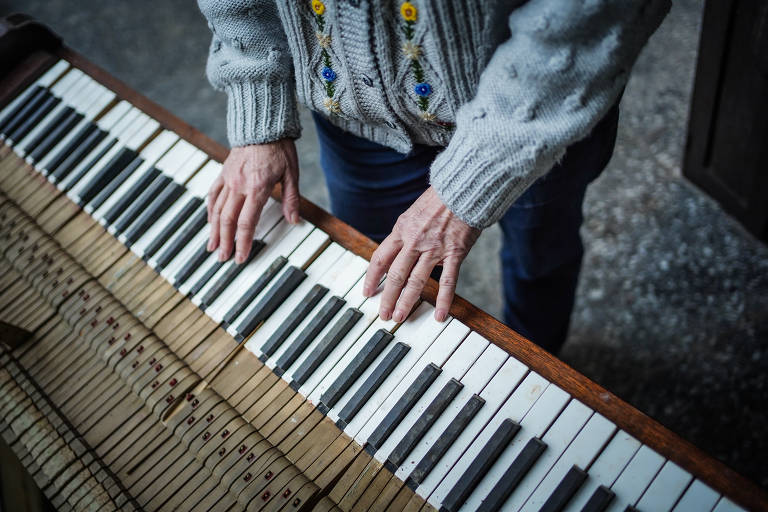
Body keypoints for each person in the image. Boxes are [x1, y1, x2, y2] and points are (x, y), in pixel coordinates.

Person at [198, 0, 669, 354]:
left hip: (533, 122)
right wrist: (254, 90)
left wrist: (474, 179)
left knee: (540, 258)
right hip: (356, 121)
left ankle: (539, 372)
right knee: (383, 284)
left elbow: (590, 16)